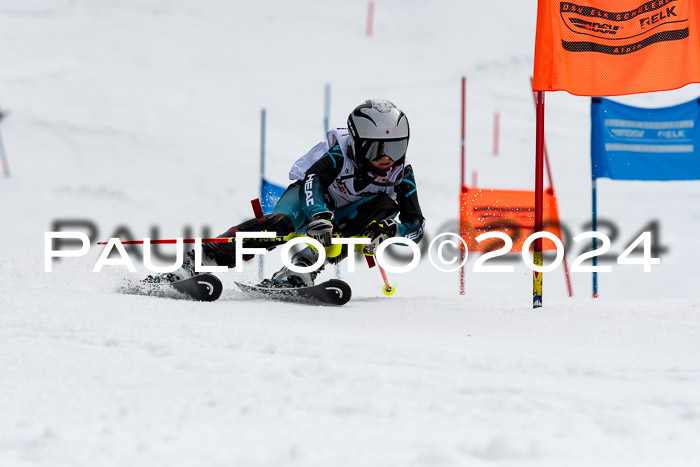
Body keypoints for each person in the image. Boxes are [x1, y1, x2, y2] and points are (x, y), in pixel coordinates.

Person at [151, 98, 425, 287]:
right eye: (377, 148)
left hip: (347, 214)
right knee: (280, 225)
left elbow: (415, 225)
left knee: (380, 209)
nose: (388, 158)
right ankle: (198, 261)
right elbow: (313, 182)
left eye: (397, 148)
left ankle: (298, 270)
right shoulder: (339, 155)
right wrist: (318, 214)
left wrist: (389, 233)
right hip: (312, 198)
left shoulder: (402, 174)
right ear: (357, 142)